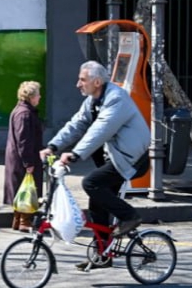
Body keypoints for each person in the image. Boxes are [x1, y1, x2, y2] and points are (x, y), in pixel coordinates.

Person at [40, 60, 150, 270]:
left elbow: (100, 130)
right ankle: (103, 255)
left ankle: (130, 216)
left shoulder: (116, 99)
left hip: (131, 159)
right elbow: (76, 124)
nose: (78, 84)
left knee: (91, 183)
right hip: (115, 157)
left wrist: (74, 154)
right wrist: (53, 146)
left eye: (82, 79)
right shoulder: (93, 100)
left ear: (97, 81)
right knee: (97, 205)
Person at [3, 81, 44, 232]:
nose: (40, 96)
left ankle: (17, 219)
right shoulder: (24, 114)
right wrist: (29, 162)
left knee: (22, 188)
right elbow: (24, 140)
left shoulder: (23, 110)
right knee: (28, 189)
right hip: (23, 159)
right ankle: (25, 222)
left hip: (18, 158)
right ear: (31, 97)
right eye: (38, 94)